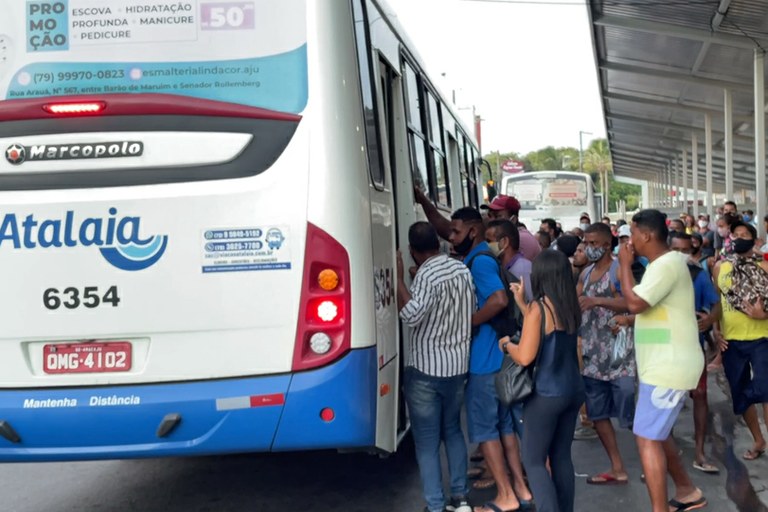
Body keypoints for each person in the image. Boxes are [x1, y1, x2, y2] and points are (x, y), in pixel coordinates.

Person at [618, 209, 706, 512]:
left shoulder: (665, 265)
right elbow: (653, 314)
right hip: (664, 364)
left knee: (646, 438)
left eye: (632, 234)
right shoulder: (662, 265)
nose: (630, 241)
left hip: (668, 368)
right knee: (658, 432)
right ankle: (686, 490)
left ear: (645, 235)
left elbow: (635, 302)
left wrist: (623, 266)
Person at [449, 207, 525, 512]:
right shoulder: (481, 258)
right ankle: (520, 488)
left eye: (455, 232)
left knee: (485, 430)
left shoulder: (479, 262)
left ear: (472, 231)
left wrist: (470, 322)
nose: (451, 238)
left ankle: (506, 494)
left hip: (484, 362)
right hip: (499, 359)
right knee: (504, 427)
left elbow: (498, 299)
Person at [396, 222, 475, 512]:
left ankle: (435, 504)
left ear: (412, 250)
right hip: (456, 367)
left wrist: (398, 281)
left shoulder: (427, 275)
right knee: (453, 431)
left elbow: (412, 315)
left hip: (426, 370)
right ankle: (461, 497)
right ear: (438, 243)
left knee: (427, 442)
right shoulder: (461, 269)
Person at [499, 250, 584, 512]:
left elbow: (525, 356)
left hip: (546, 394)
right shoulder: (570, 305)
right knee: (561, 458)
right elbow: (549, 331)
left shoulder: (540, 307)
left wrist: (506, 345)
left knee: (534, 461)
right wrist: (523, 303)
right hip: (572, 389)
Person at [578, 223, 635, 486]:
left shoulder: (616, 271)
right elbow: (577, 301)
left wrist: (598, 301)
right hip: (592, 353)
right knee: (598, 413)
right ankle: (617, 467)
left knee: (630, 410)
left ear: (606, 245)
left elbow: (632, 303)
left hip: (618, 353)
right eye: (586, 242)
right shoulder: (586, 272)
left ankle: (655, 459)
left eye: (593, 243)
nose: (589, 247)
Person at [713, 221, 768, 463]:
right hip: (731, 341)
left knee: (765, 389)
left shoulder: (765, 266)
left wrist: (763, 315)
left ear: (755, 241)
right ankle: (758, 440)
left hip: (761, 337)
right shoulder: (720, 268)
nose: (739, 238)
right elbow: (717, 303)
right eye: (736, 234)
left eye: (745, 235)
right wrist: (716, 331)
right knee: (740, 391)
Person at [668, 232, 721, 474]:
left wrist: (710, 320)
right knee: (664, 403)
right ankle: (664, 453)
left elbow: (716, 304)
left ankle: (699, 453)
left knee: (699, 397)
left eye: (687, 251)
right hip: (664, 351)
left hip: (691, 347)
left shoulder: (698, 276)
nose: (683, 256)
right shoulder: (657, 277)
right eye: (677, 250)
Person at [481, 195, 541, 261]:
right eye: (490, 215)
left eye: (497, 216)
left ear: (513, 220)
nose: (491, 220)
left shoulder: (522, 238)